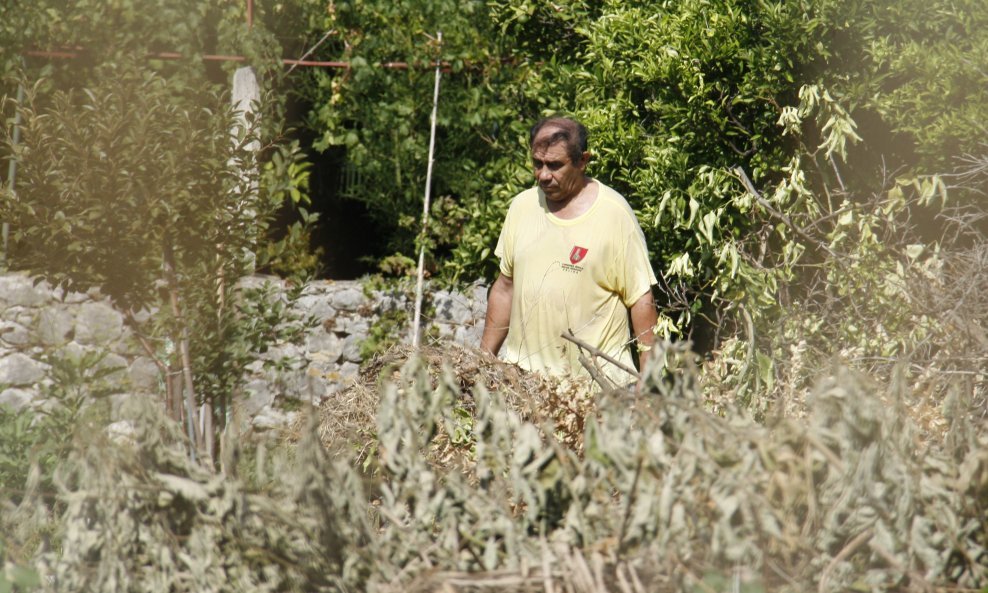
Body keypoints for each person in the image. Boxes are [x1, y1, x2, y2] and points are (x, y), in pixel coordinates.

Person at [479, 116, 658, 385]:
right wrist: (482, 363)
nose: (543, 175)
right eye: (537, 163)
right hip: (526, 386)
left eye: (554, 165)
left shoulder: (613, 214)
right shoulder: (522, 207)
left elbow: (641, 299)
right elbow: (506, 288)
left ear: (582, 161)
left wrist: (648, 383)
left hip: (596, 389)